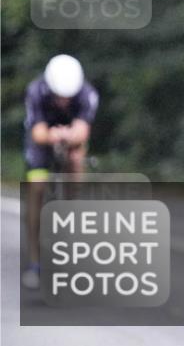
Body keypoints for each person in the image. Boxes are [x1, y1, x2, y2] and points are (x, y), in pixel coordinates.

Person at [21, 54, 99, 290]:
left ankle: (72, 205)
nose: (64, 101)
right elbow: (38, 133)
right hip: (42, 139)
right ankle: (35, 261)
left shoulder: (88, 94)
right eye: (59, 97)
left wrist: (70, 137)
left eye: (68, 97)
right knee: (36, 187)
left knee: (76, 160)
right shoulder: (35, 91)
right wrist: (54, 135)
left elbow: (82, 131)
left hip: (71, 137)